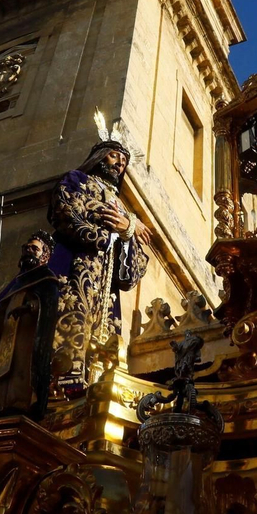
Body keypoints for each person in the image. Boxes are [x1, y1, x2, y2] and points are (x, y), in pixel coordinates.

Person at [48, 137, 149, 386]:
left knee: (102, 357)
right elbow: (67, 208)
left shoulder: (125, 210)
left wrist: (127, 231)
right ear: (99, 156)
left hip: (106, 290)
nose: (119, 164)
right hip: (75, 269)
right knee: (68, 334)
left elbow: (135, 269)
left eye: (124, 161)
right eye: (115, 156)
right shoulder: (78, 180)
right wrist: (124, 226)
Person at [0, 231, 64, 420]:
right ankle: (0, 403)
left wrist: (30, 307)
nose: (29, 251)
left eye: (34, 249)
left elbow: (48, 308)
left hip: (26, 340)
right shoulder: (16, 284)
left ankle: (20, 404)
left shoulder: (47, 281)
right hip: (7, 339)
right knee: (2, 372)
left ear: (45, 256)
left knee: (20, 372)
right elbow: (3, 315)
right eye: (26, 248)